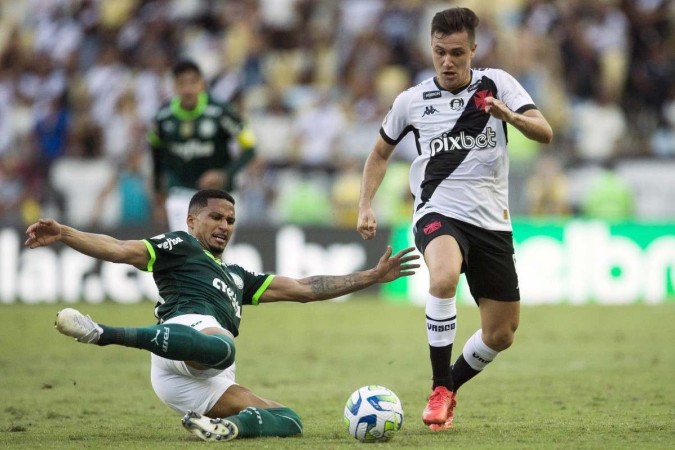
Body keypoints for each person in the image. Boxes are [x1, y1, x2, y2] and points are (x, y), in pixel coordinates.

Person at [24, 189, 419, 442]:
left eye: (230, 220)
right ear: (191, 220)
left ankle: (223, 430)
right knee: (224, 346)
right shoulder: (179, 245)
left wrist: (371, 276)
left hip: (198, 386)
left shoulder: (238, 276)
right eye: (216, 217)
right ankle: (101, 333)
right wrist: (66, 233)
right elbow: (119, 248)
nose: (224, 225)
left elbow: (304, 289)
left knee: (289, 420)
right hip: (181, 339)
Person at [357, 7, 553, 431]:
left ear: (474, 51)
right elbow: (379, 154)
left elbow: (545, 132)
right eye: (440, 52)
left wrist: (509, 117)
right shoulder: (411, 100)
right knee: (443, 277)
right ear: (431, 49)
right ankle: (439, 385)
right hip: (436, 211)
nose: (447, 62)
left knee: (501, 334)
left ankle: (449, 388)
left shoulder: (497, 84)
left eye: (457, 54)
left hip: (492, 222)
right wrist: (365, 204)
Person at [147, 60, 256, 231]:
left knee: (215, 252)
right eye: (182, 83)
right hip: (181, 193)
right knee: (189, 247)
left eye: (193, 82)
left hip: (221, 193)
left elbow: (250, 148)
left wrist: (224, 174)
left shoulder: (221, 112)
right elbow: (156, 156)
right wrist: (158, 192)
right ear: (174, 86)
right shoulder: (162, 118)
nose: (188, 90)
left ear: (202, 84)